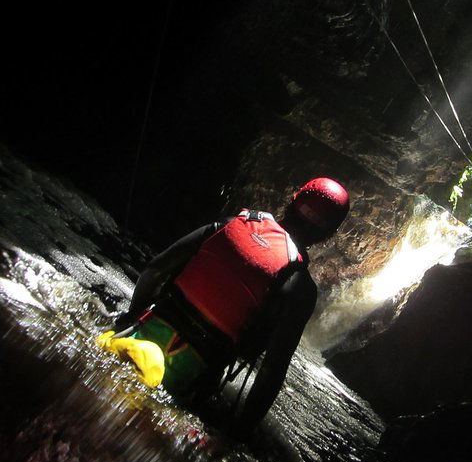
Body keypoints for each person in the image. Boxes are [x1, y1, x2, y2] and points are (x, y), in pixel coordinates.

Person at [97, 177, 350, 428]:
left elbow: (153, 271)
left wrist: (131, 315)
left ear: (293, 200)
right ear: (328, 234)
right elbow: (271, 372)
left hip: (141, 329)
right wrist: (240, 432)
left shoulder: (231, 223)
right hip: (188, 377)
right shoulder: (300, 288)